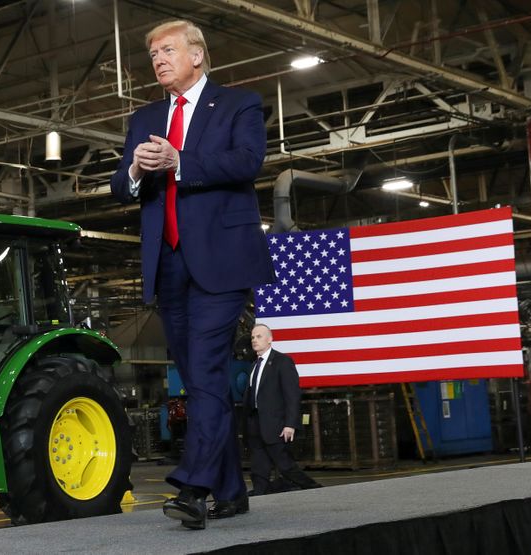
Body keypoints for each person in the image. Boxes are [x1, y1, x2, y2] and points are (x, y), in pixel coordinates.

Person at [110, 20, 275, 530]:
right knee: (201, 381)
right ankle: (230, 491)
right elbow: (119, 187)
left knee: (204, 369)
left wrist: (181, 161)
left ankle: (196, 485)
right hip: (169, 265)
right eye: (152, 53)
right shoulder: (144, 118)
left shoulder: (239, 104)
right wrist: (136, 170)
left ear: (197, 55)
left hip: (222, 261)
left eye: (168, 50)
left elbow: (249, 161)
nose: (157, 59)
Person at [243, 323, 321, 497]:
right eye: (253, 337)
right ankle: (260, 490)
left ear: (270, 339)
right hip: (256, 423)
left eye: (259, 336)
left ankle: (312, 487)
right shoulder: (254, 365)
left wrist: (290, 424)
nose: (255, 340)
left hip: (275, 425)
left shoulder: (282, 362)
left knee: (284, 464)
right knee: (258, 462)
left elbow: (292, 395)